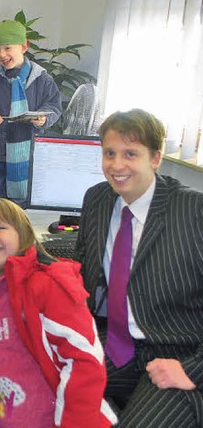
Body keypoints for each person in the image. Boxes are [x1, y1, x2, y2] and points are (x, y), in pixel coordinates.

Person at [0, 198, 116, 427]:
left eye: (0, 227)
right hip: (15, 411)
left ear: (23, 234)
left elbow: (85, 362)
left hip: (56, 417)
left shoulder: (48, 286)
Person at [76, 109, 203, 426]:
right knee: (43, 373)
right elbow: (79, 268)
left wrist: (194, 369)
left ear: (156, 158)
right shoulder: (98, 199)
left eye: (130, 154)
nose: (116, 166)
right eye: (109, 153)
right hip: (117, 344)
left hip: (178, 353)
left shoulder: (193, 211)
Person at [0, 20, 61, 206]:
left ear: (24, 46)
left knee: (24, 206)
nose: (1, 55)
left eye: (7, 48)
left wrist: (44, 118)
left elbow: (54, 106)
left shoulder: (42, 78)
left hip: (30, 154)